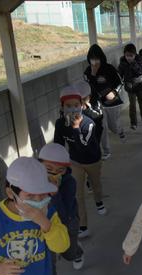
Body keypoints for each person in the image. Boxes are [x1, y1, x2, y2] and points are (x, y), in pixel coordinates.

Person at [54, 85, 106, 242]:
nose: (72, 109)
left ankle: (99, 201)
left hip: (92, 159)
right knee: (78, 194)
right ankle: (83, 226)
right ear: (62, 107)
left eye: (76, 105)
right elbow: (58, 145)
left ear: (82, 105)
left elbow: (84, 147)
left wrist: (76, 128)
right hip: (75, 161)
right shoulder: (60, 124)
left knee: (96, 184)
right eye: (68, 106)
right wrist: (58, 164)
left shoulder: (88, 124)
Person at [38, 143, 84, 275]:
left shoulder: (69, 183)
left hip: (67, 222)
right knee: (48, 262)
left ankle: (77, 251)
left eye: (60, 170)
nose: (54, 173)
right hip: (44, 227)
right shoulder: (35, 182)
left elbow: (64, 213)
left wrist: (54, 193)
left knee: (68, 254)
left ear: (66, 170)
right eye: (48, 169)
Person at [84, 43, 126, 155]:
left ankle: (120, 130)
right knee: (102, 127)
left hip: (112, 102)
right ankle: (106, 151)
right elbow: (87, 87)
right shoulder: (88, 71)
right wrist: (93, 74)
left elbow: (120, 82)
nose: (94, 61)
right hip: (96, 103)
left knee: (114, 127)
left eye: (97, 58)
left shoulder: (109, 68)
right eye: (92, 59)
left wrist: (114, 92)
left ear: (101, 58)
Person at [73, 80, 108, 165]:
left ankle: (98, 159)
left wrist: (87, 108)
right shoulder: (75, 103)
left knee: (95, 145)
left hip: (96, 127)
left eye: (84, 98)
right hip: (83, 128)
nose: (82, 100)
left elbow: (98, 115)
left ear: (89, 96)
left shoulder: (95, 102)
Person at [118, 43, 142, 131]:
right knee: (132, 105)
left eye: (131, 55)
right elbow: (120, 73)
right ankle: (133, 123)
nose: (129, 57)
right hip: (129, 87)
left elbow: (140, 72)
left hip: (140, 85)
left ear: (135, 54)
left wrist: (133, 63)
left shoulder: (140, 60)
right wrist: (122, 80)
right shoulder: (122, 62)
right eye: (127, 55)